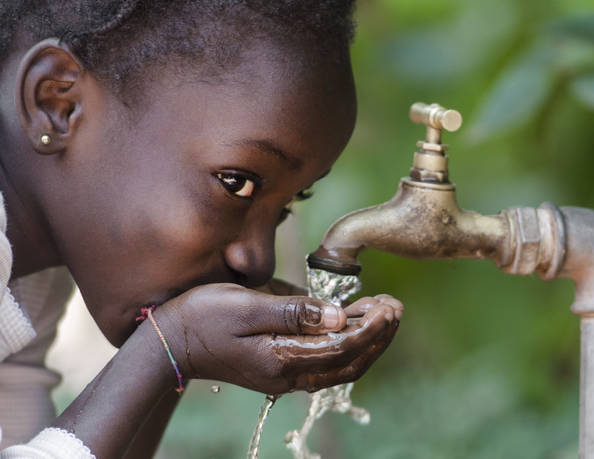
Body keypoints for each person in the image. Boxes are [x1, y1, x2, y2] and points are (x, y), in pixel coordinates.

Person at [0, 1, 404, 457]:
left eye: (287, 206)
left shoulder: (29, 273)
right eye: (237, 183)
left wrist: (178, 350)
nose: (256, 261)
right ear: (57, 103)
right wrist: (168, 348)